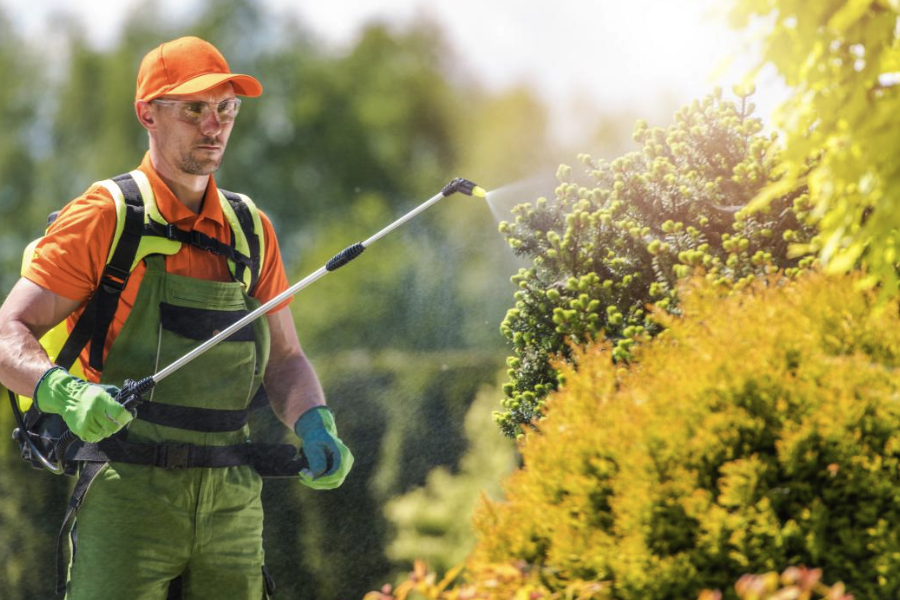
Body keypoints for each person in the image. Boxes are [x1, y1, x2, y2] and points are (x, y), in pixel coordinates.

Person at [0, 36, 353, 599]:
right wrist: (65, 393)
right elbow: (6, 333)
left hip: (233, 500)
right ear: (148, 114)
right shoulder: (105, 217)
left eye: (226, 108)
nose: (214, 124)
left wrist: (314, 421)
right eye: (194, 108)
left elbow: (285, 358)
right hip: (125, 492)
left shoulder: (252, 229)